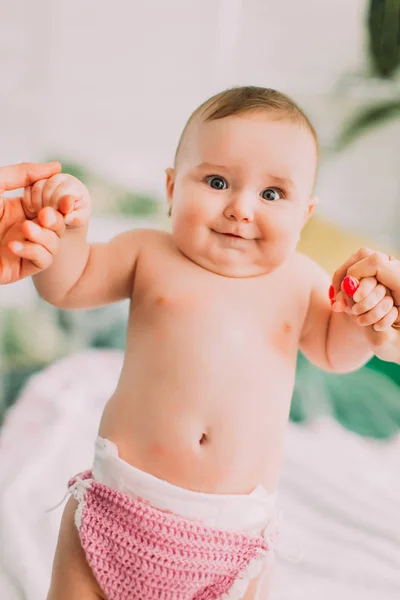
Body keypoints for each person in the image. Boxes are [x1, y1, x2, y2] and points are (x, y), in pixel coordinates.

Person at [2, 87, 400, 600]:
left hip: (231, 541)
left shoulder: (300, 280)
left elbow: (334, 352)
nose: (240, 209)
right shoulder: (148, 253)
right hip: (118, 507)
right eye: (217, 181)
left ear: (305, 215)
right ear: (171, 190)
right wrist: (63, 232)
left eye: (272, 194)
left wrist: (365, 318)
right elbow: (69, 285)